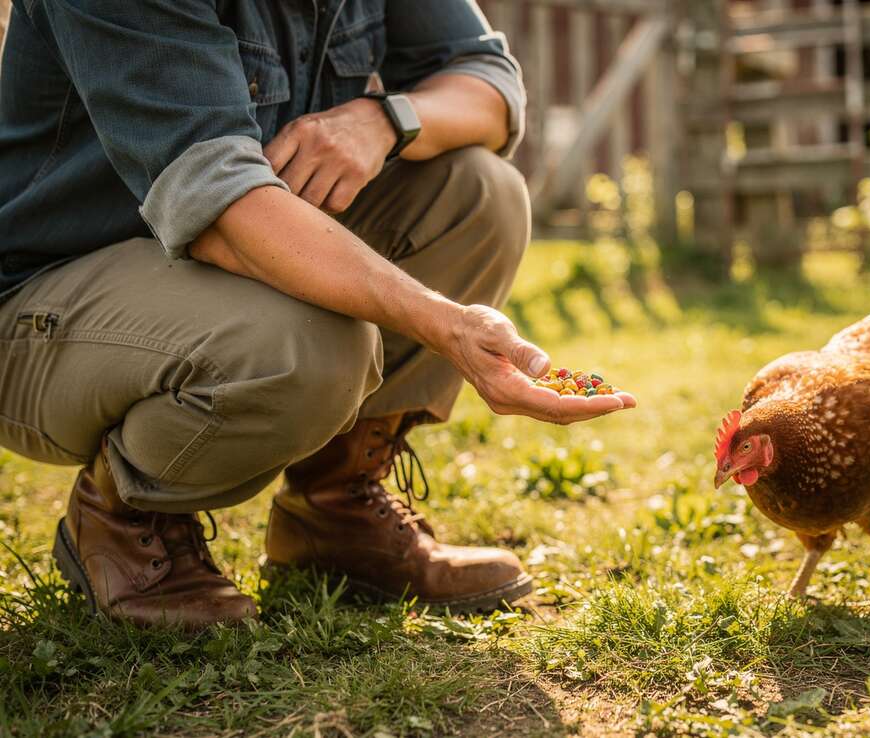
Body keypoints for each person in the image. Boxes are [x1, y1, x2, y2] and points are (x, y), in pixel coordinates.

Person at [0, 0, 635, 629]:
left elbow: (491, 85)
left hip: (221, 261)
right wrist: (446, 323)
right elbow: (219, 205)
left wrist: (385, 119)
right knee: (312, 344)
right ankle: (123, 515)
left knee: (479, 192)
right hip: (47, 299)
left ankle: (334, 510)